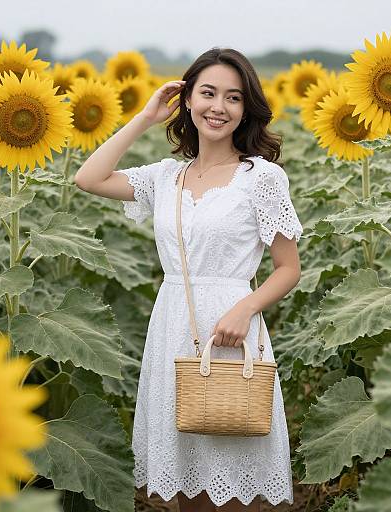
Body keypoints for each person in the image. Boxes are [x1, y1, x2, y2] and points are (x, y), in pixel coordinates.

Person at [74, 47, 303, 512]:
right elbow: (89, 177)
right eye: (208, 93)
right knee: (185, 483)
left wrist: (244, 308)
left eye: (234, 98)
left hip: (232, 331)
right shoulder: (165, 177)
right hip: (172, 327)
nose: (219, 107)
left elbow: (288, 268)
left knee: (232, 467)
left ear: (246, 109)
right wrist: (144, 117)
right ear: (188, 101)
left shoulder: (261, 178)